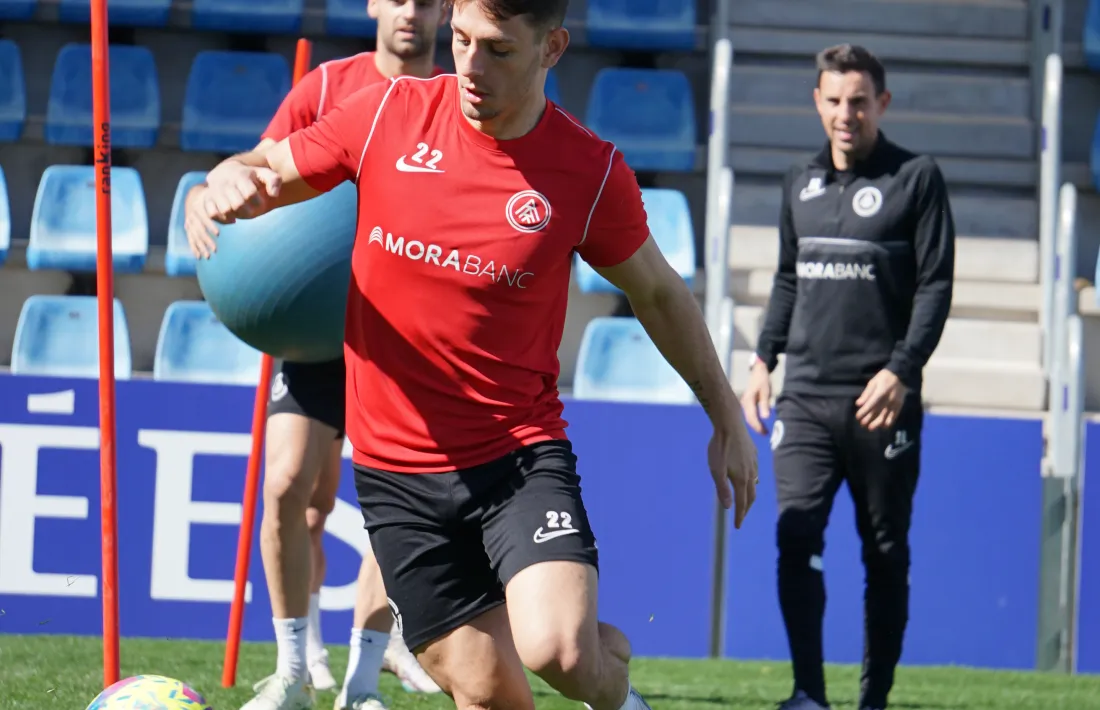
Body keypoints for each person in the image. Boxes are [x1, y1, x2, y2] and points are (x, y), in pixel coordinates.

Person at [188, 1, 760, 708]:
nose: (469, 66)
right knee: (490, 695)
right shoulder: (386, 114)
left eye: (498, 50)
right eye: (460, 40)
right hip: (396, 475)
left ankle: (615, 685)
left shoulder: (588, 170)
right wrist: (224, 179)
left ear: (552, 48)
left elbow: (660, 294)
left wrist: (725, 415)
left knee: (564, 652)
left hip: (516, 461)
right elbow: (270, 167)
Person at [184, 2, 449, 708]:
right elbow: (255, 165)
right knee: (284, 489)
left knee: (398, 503)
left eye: (428, 0)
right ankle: (297, 668)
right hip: (315, 330)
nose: (412, 13)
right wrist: (204, 190)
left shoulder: (453, 102)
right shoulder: (328, 88)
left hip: (403, 333)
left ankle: (363, 678)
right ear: (373, 3)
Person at [739, 44, 956, 710]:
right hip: (805, 397)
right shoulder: (797, 181)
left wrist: (902, 370)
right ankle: (809, 693)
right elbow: (786, 278)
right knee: (794, 535)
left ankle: (873, 700)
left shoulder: (915, 178)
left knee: (883, 551)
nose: (845, 114)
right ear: (817, 102)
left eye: (859, 101)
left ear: (881, 104)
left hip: (880, 403)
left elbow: (935, 285)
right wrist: (762, 358)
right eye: (833, 100)